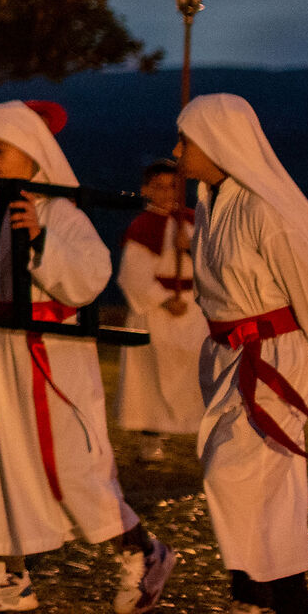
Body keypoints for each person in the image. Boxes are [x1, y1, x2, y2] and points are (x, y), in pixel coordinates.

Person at [0, 101, 174, 614]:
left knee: (67, 461)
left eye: (1, 150)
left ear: (32, 151)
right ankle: (9, 573)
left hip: (52, 348)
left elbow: (90, 277)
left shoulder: (62, 212)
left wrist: (41, 240)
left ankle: (140, 549)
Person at [177, 94, 308, 614]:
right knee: (261, 488)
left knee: (239, 479)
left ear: (220, 145)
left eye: (188, 142)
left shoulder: (266, 210)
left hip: (275, 361)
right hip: (234, 359)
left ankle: (255, 612)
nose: (178, 152)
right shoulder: (212, 203)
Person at [117, 157, 203, 458]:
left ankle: (200, 431)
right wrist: (164, 299)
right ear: (146, 190)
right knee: (153, 374)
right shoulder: (142, 227)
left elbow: (216, 264)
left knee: (195, 371)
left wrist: (191, 248)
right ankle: (152, 435)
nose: (167, 194)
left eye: (173, 187)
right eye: (160, 187)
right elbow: (132, 275)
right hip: (157, 309)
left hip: (193, 307)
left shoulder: (195, 220)